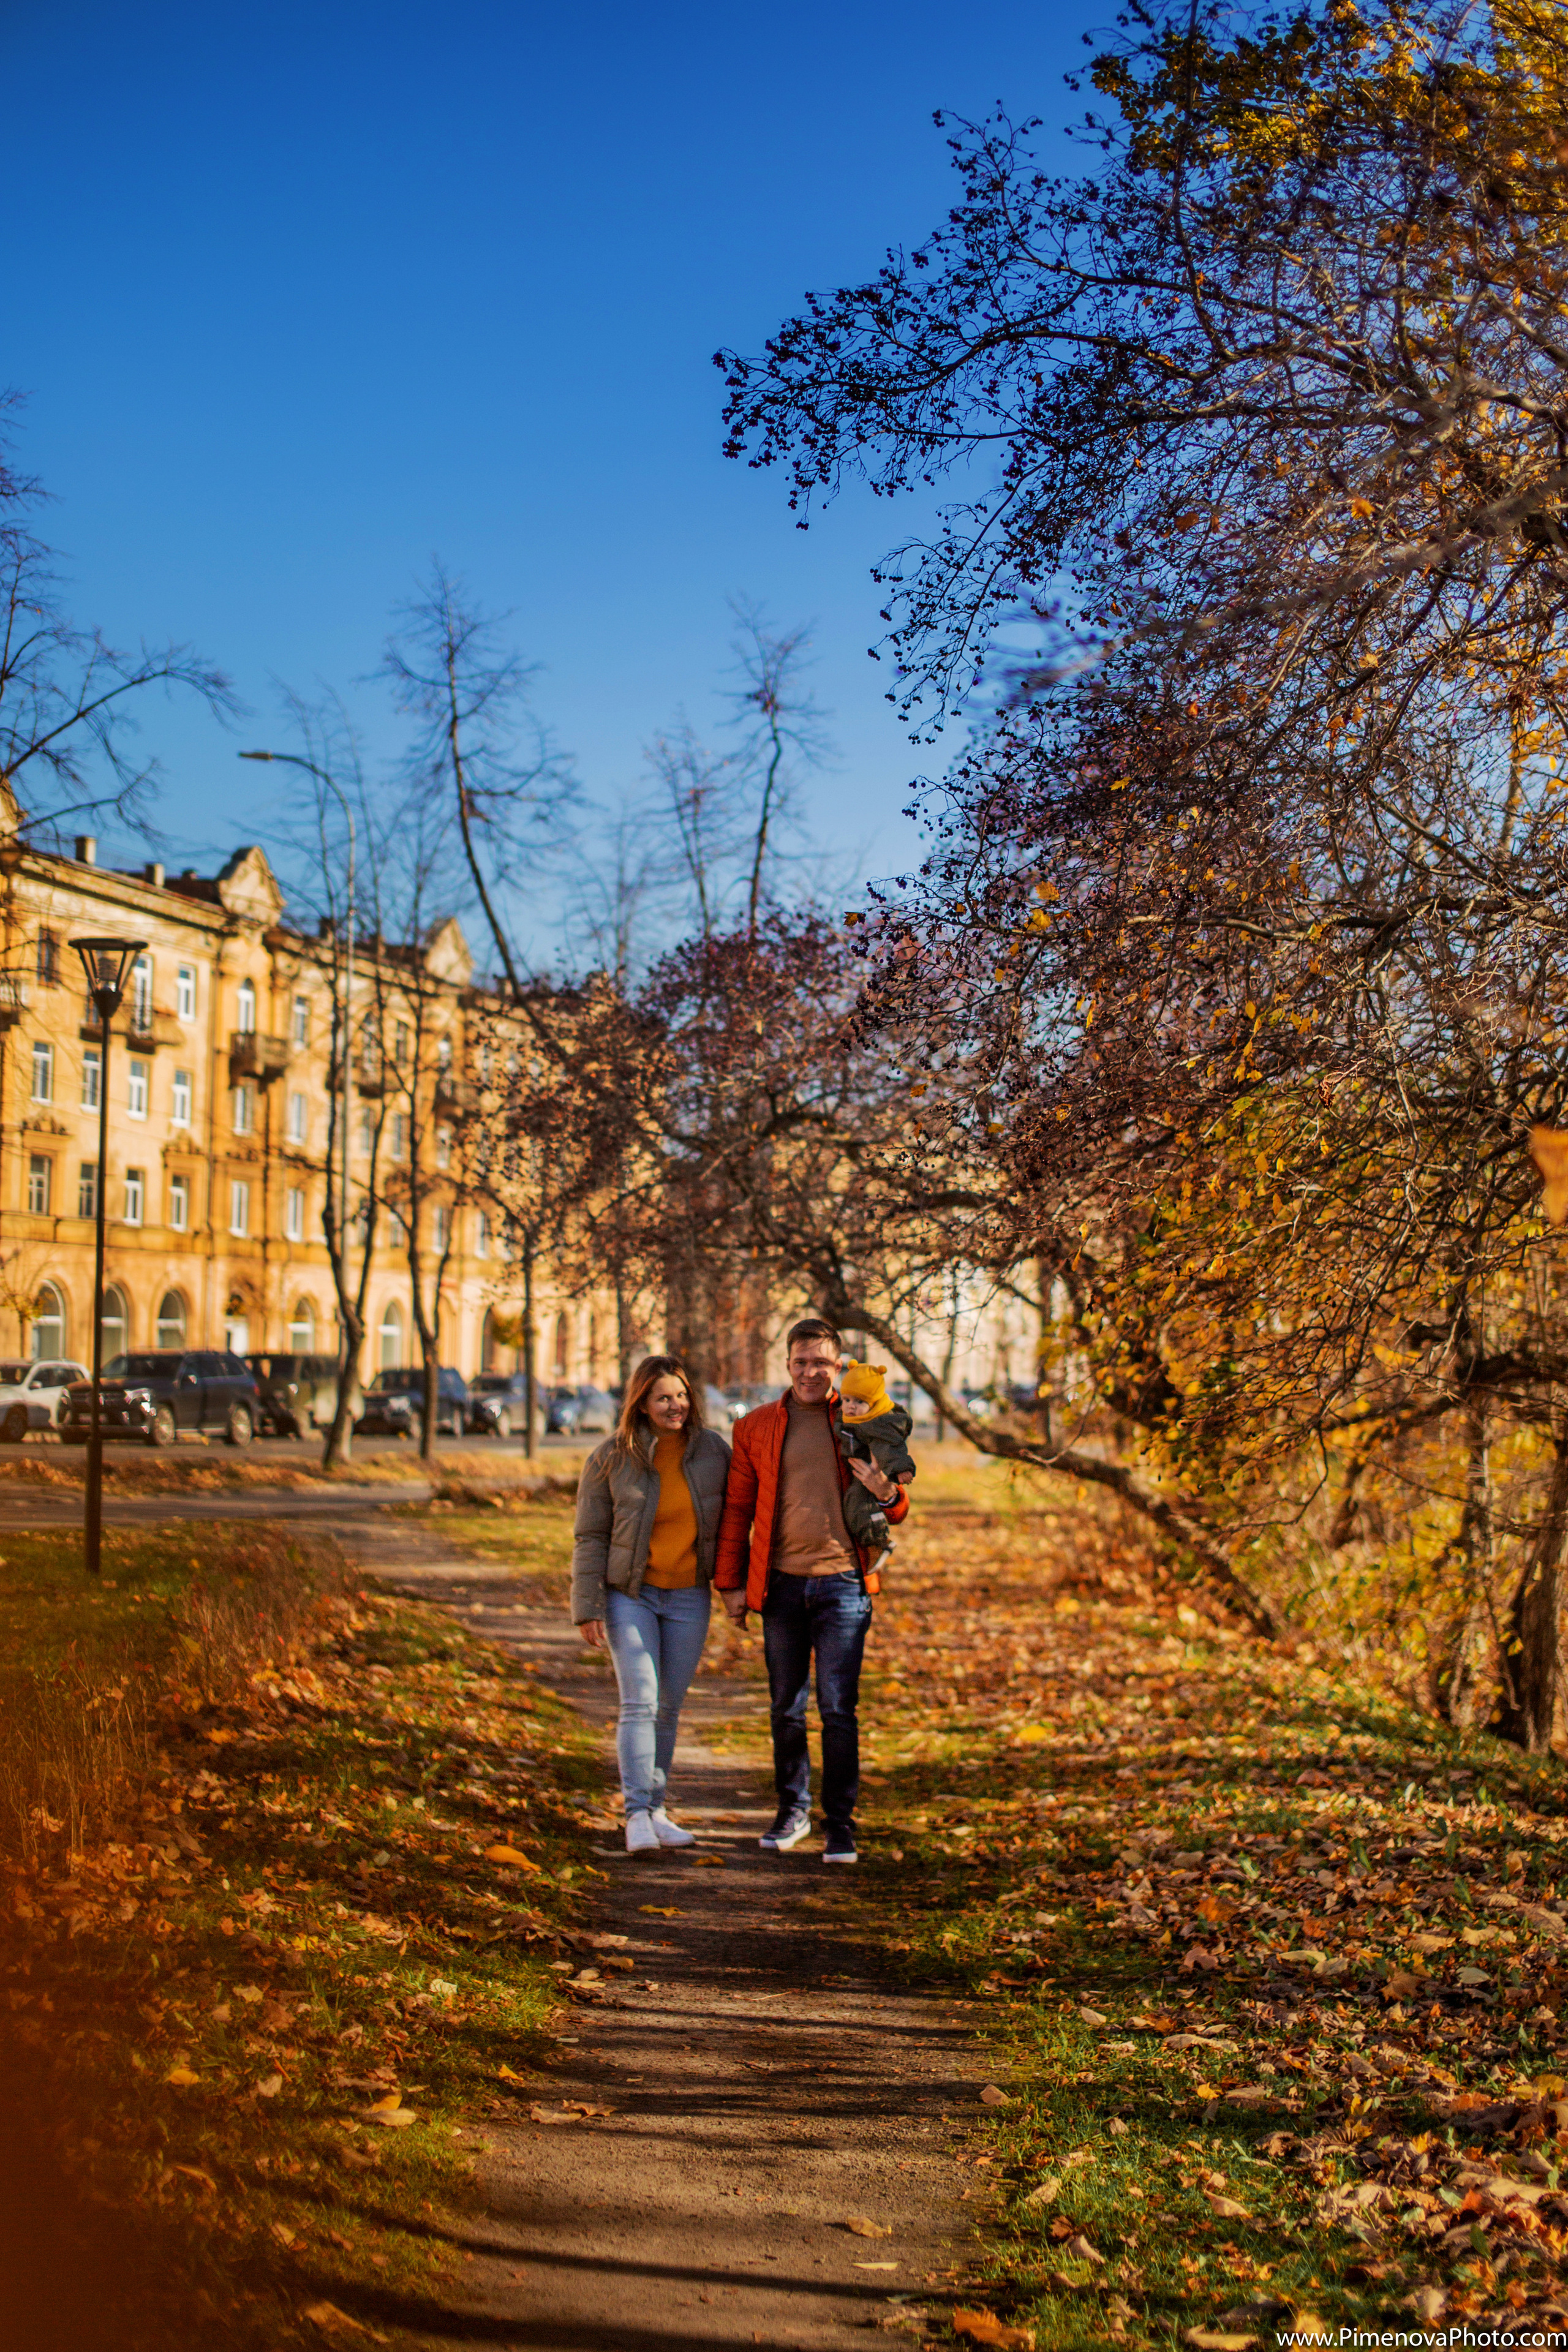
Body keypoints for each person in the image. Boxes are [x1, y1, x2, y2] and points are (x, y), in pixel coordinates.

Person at [714, 1318, 910, 1864]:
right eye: (801, 1362)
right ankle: (792, 1810)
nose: (810, 1372)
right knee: (786, 1707)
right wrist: (729, 1583)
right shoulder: (755, 1427)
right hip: (780, 1585)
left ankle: (840, 1825)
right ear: (787, 1364)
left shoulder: (861, 1418)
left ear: (838, 1367)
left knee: (839, 1709)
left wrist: (886, 1492)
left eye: (821, 1363)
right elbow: (737, 1510)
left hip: (844, 1583)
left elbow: (897, 1506)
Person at [570, 1355, 732, 1855]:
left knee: (668, 1707)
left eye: (681, 1395)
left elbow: (737, 1518)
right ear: (641, 1403)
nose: (675, 1405)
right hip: (631, 1595)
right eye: (663, 1398)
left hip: (689, 1596)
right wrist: (588, 1606)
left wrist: (737, 1585)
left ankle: (657, 1810)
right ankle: (636, 1814)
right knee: (640, 1700)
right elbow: (590, 1536)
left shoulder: (713, 1452)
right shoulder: (611, 1458)